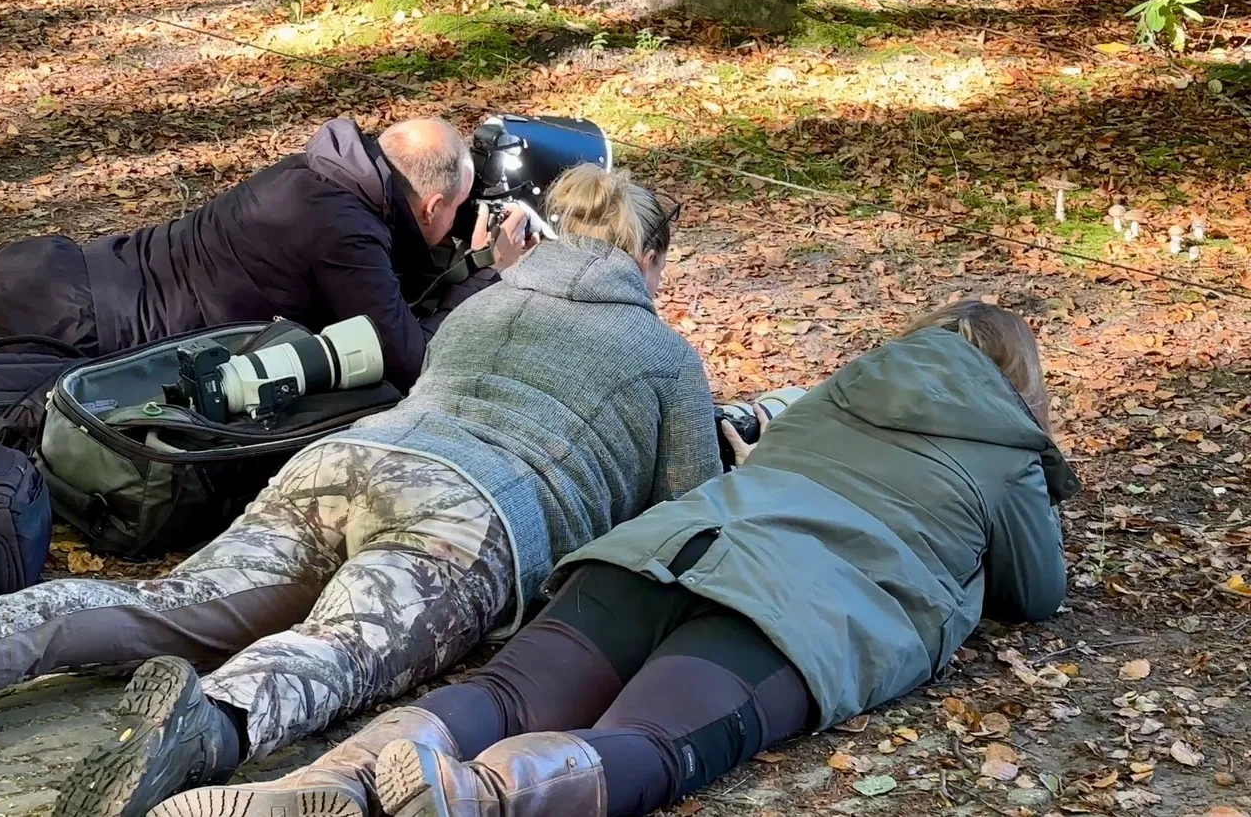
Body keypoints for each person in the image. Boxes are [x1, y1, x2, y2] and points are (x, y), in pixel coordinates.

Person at [0, 165, 722, 817]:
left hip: (347, 460)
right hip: (470, 511)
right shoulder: (664, 355)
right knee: (339, 644)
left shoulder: (484, 304)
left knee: (177, 599)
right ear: (647, 258)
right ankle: (212, 723)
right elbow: (694, 508)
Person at [174, 298, 1075, 817]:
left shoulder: (836, 392)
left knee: (506, 693)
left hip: (665, 548)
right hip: (791, 607)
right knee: (649, 743)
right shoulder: (1004, 447)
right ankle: (476, 800)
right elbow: (1036, 591)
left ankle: (332, 780)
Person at [0, 116, 531, 392]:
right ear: (431, 206)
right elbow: (409, 363)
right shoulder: (344, 233)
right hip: (71, 328)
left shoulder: (321, 171)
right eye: (459, 207)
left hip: (50, 267)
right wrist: (485, 274)